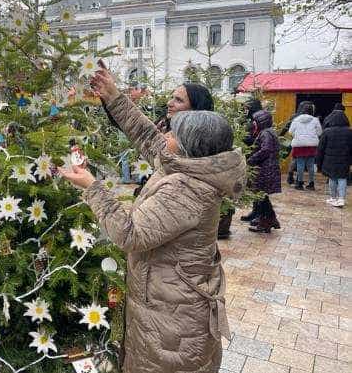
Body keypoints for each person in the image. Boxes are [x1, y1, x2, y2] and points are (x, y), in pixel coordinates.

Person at [60, 68, 246, 373]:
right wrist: (114, 98)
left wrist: (92, 188)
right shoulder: (189, 164)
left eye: (173, 133)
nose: (166, 135)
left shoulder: (186, 187)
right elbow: (147, 135)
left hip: (172, 314)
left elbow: (130, 234)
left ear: (187, 144)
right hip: (170, 299)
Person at [242, 110, 282, 233]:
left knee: (261, 196)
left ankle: (267, 221)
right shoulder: (268, 132)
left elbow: (266, 150)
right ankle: (269, 219)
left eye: (255, 122)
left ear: (261, 122)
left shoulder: (265, 133)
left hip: (265, 169)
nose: (253, 124)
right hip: (267, 168)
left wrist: (251, 160)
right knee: (261, 196)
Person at [317, 109, 352, 208]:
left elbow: (321, 148)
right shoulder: (350, 132)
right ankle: (341, 199)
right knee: (342, 178)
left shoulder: (327, 131)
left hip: (330, 159)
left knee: (332, 178)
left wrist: (318, 161)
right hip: (344, 159)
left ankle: (333, 197)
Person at [289, 103, 322, 190]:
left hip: (299, 144)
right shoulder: (315, 120)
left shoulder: (296, 120)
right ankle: (311, 183)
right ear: (312, 111)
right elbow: (319, 132)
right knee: (310, 165)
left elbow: (290, 132)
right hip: (311, 145)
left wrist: (297, 136)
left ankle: (299, 183)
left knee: (300, 164)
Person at [280, 101, 313, 185]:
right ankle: (298, 179)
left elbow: (287, 127)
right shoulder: (311, 118)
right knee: (302, 160)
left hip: (295, 140)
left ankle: (290, 176)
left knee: (295, 159)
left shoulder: (294, 116)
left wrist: (280, 135)